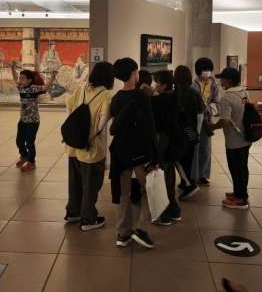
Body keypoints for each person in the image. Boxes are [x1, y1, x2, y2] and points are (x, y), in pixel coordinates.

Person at [110, 57, 157, 249]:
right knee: (151, 189)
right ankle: (142, 228)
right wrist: (154, 155)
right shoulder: (141, 97)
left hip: (120, 152)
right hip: (139, 152)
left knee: (123, 193)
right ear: (133, 73)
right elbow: (150, 127)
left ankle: (123, 233)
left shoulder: (116, 98)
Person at [65, 62, 114, 231]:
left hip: (73, 146)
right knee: (91, 185)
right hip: (91, 148)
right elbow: (103, 121)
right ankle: (88, 219)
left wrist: (76, 128)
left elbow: (68, 106)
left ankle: (73, 212)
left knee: (75, 182)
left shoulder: (82, 88)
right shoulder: (106, 95)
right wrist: (94, 132)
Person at [212, 67, 251, 210]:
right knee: (242, 167)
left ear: (228, 80)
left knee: (236, 169)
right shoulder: (244, 92)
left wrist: (212, 127)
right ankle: (240, 193)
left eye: (222, 78)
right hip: (246, 136)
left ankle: (240, 200)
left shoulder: (227, 97)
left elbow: (225, 121)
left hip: (234, 140)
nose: (220, 81)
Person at [11, 63, 57, 171]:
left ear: (29, 80)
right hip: (23, 120)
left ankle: (31, 162)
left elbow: (46, 87)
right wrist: (12, 68)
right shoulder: (20, 87)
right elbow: (15, 78)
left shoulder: (34, 88)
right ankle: (24, 156)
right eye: (20, 78)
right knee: (19, 141)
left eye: (23, 78)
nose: (20, 80)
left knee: (29, 142)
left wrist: (52, 77)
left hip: (33, 121)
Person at [150, 70, 182, 225]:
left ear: (163, 85)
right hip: (173, 142)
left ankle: (164, 214)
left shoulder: (157, 101)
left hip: (162, 141)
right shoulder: (175, 97)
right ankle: (174, 209)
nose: (154, 85)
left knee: (160, 177)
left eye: (156, 82)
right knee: (169, 176)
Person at [174, 65, 205, 200]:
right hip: (191, 131)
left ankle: (188, 184)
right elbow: (201, 113)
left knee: (178, 158)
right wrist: (196, 133)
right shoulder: (194, 93)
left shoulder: (176, 94)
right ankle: (184, 181)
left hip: (180, 132)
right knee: (188, 158)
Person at [192, 57, 221, 186]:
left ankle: (203, 175)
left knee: (205, 148)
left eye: (209, 69)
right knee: (194, 148)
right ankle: (193, 175)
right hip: (194, 120)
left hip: (206, 120)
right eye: (205, 70)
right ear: (198, 71)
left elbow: (217, 102)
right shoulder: (193, 84)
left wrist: (208, 109)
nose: (207, 72)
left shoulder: (213, 84)